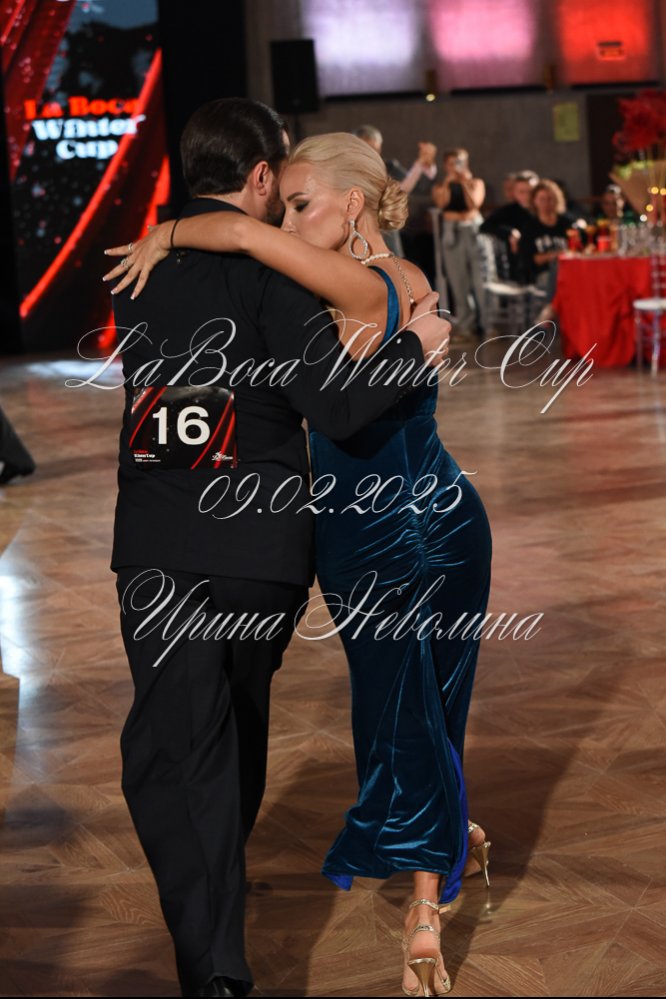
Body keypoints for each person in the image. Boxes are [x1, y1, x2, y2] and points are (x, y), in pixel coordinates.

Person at [107, 129, 492, 997]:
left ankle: (424, 904)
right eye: (280, 204)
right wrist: (176, 233)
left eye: (301, 203)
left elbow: (242, 234)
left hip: (413, 523)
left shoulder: (373, 280)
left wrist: (171, 231)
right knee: (410, 707)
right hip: (368, 531)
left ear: (352, 204)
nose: (284, 222)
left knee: (417, 707)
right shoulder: (326, 282)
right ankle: (446, 838)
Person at [432, 148, 486, 338]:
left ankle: (487, 324)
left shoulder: (476, 183)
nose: (455, 167)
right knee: (458, 281)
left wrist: (464, 182)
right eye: (452, 163)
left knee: (481, 279)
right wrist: (449, 182)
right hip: (451, 232)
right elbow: (442, 204)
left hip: (473, 230)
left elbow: (474, 204)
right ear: (445, 166)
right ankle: (466, 326)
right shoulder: (440, 186)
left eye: (459, 162)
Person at [480, 170, 538, 281]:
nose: (527, 196)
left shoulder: (546, 209)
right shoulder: (508, 211)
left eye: (531, 191)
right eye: (521, 192)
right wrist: (510, 232)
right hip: (520, 268)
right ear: (515, 193)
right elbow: (485, 226)